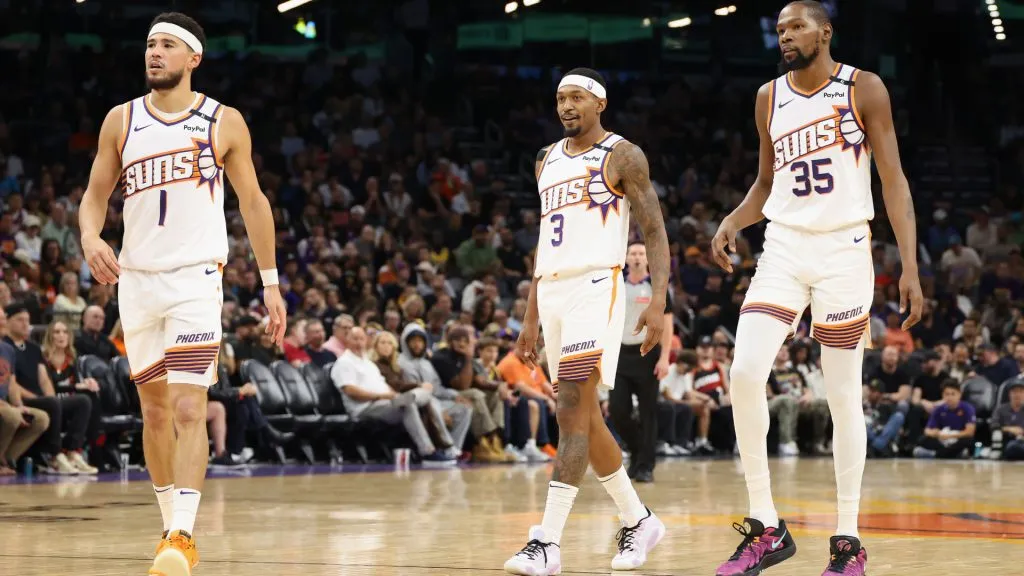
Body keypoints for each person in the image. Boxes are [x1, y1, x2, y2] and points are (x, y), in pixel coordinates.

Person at [709, 2, 924, 575]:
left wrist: (908, 265)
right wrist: (734, 219)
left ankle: (847, 540)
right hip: (782, 246)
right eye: (779, 29)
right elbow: (764, 183)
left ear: (825, 31)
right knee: (745, 373)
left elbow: (894, 180)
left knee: (842, 397)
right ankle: (766, 526)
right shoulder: (767, 97)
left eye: (796, 26)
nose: (785, 36)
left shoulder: (864, 87)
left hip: (845, 251)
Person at [77, 12, 286, 576]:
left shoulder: (223, 121)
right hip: (136, 280)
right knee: (154, 409)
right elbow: (95, 194)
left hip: (195, 278)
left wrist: (270, 284)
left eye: (167, 45)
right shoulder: (121, 121)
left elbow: (255, 203)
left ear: (194, 57)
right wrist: (89, 235)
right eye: (149, 44)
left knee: (191, 405)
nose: (154, 53)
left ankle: (184, 534)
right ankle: (168, 526)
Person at [504, 67, 669, 575]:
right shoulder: (545, 160)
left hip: (597, 284)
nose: (566, 106)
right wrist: (529, 317)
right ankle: (638, 519)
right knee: (585, 416)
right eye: (560, 99)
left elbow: (655, 230)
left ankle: (547, 542)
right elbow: (544, 244)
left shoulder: (622, 155)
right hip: (551, 290)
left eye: (576, 97)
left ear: (600, 103)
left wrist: (658, 300)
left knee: (572, 407)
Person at [609, 241, 673, 483]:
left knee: (648, 413)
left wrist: (665, 357)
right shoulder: (617, 286)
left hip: (648, 355)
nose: (636, 257)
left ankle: (645, 466)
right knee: (617, 410)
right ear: (625, 258)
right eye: (632, 253)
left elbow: (667, 324)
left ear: (647, 259)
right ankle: (637, 450)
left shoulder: (657, 287)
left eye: (641, 253)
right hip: (620, 355)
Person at [0, 307, 50, 475]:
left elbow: (11, 383)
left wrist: (19, 405)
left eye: (3, 318)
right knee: (11, 416)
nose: (2, 322)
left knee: (40, 418)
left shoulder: (8, 350)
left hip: (5, 403)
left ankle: (7, 459)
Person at [912, 380, 976, 459]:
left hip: (957, 438)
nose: (950, 397)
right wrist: (936, 433)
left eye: (953, 394)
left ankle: (937, 455)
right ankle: (951, 455)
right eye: (947, 394)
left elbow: (970, 432)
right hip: (942, 440)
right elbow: (927, 430)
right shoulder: (939, 409)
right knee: (922, 439)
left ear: (959, 394)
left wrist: (950, 435)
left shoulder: (967, 408)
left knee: (968, 441)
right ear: (943, 395)